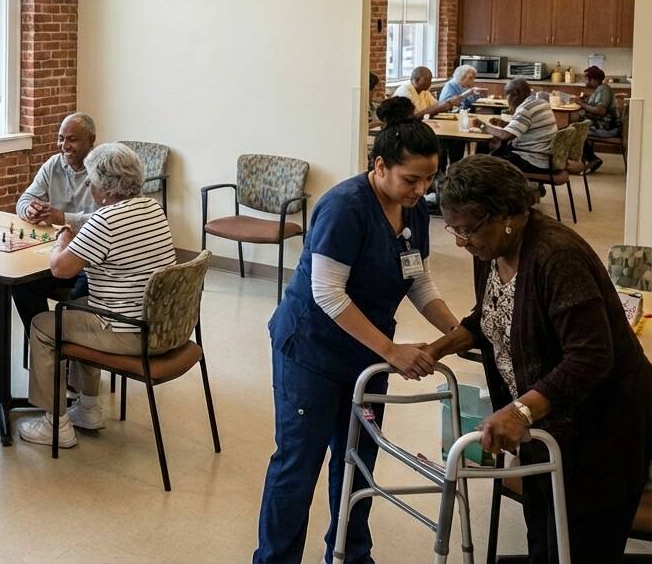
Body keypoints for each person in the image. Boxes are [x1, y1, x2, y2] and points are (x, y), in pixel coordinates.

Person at [254, 98, 460, 564]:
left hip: (365, 356)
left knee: (358, 460)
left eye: (429, 179)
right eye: (412, 179)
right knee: (298, 465)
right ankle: (274, 559)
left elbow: (417, 279)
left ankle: (349, 553)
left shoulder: (413, 213)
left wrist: (459, 331)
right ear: (380, 165)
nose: (421, 189)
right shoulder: (344, 207)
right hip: (311, 351)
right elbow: (327, 295)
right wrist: (392, 350)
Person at [425, 155, 652, 563]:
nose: (460, 241)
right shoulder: (492, 251)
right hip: (546, 430)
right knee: (544, 542)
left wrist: (520, 412)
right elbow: (491, 313)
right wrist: (440, 346)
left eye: (467, 229)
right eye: (452, 229)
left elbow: (590, 356)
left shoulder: (556, 257)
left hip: (602, 432)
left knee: (581, 545)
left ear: (508, 214)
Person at [16, 143, 177, 448]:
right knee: (80, 308)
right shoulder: (152, 208)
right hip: (162, 325)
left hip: (127, 331)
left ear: (105, 185)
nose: (89, 185)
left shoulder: (106, 220)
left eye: (91, 180)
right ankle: (88, 407)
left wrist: (62, 236)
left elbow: (60, 268)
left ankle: (55, 424)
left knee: (43, 325)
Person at [12, 112, 98, 331]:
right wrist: (29, 210)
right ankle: (46, 341)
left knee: (82, 292)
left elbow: (104, 219)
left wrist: (63, 218)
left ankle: (68, 343)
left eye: (72, 139)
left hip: (90, 261)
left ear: (91, 141)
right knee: (21, 285)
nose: (64, 145)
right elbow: (24, 200)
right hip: (58, 253)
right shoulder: (54, 165)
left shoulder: (101, 169)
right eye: (61, 138)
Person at [472, 77, 556, 174]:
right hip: (544, 156)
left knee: (481, 163)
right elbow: (527, 127)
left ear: (515, 93)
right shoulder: (541, 103)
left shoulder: (526, 109)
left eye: (506, 95)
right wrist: (505, 124)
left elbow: (506, 136)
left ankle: (492, 186)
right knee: (486, 147)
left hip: (532, 159)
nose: (507, 99)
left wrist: (482, 126)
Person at [436, 65, 488, 169]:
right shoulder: (450, 85)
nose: (473, 80)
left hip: (462, 118)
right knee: (458, 141)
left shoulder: (465, 87)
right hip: (449, 120)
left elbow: (470, 102)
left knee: (483, 135)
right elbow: (445, 105)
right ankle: (455, 167)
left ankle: (474, 166)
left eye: (473, 77)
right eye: (471, 77)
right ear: (462, 77)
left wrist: (479, 94)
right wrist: (467, 94)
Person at [571, 65, 619, 171]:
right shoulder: (600, 89)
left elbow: (601, 111)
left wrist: (582, 105)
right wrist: (585, 101)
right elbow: (595, 105)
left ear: (594, 79)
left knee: (574, 131)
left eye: (587, 79)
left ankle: (592, 159)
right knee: (574, 126)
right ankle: (585, 159)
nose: (585, 81)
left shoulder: (604, 90)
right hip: (601, 125)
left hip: (606, 128)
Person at [394, 66, 465, 119]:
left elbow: (436, 105)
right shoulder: (404, 92)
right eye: (427, 80)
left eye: (430, 79)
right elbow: (412, 117)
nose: (430, 83)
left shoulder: (424, 91)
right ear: (416, 80)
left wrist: (449, 103)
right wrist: (448, 103)